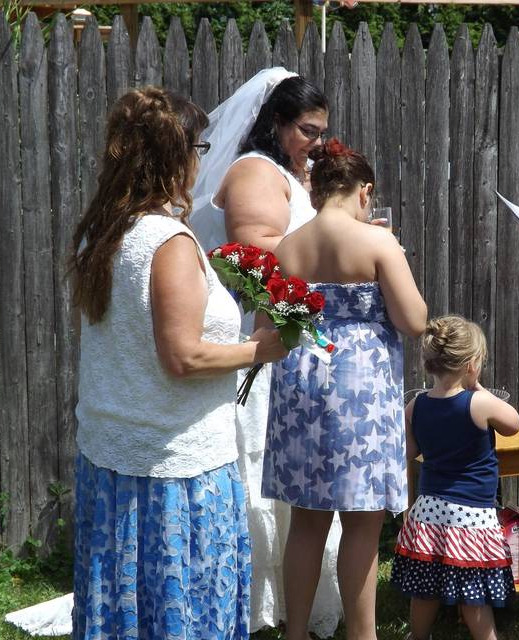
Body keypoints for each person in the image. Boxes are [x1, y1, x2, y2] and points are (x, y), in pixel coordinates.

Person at [68, 87, 288, 639]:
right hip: (174, 471)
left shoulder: (102, 232)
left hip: (114, 457)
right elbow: (183, 356)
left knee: (126, 614)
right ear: (175, 157)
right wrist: (261, 348)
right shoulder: (165, 241)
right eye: (199, 147)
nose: (201, 159)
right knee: (184, 611)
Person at [189, 68, 344, 635]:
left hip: (289, 339)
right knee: (259, 465)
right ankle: (255, 604)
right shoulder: (255, 171)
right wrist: (342, 243)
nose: (318, 142)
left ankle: (291, 602)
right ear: (275, 123)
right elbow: (254, 251)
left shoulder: (293, 174)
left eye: (324, 131)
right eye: (307, 129)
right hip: (258, 341)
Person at [262, 139, 427, 640]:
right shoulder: (378, 243)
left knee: (307, 523)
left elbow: (267, 323)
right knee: (360, 523)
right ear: (364, 192)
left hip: (299, 388)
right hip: (360, 394)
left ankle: (295, 634)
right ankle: (362, 635)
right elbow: (414, 320)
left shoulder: (287, 248)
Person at [391, 315, 519, 640]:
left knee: (426, 587)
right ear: (472, 364)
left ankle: (417, 636)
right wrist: (477, 387)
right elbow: (513, 424)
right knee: (472, 591)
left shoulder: (416, 405)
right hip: (472, 516)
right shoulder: (478, 403)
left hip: (428, 511)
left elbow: (407, 451)